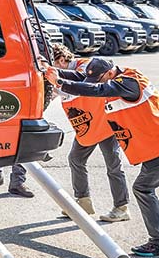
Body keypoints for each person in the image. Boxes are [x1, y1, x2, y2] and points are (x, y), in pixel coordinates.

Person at [45, 58, 159, 258]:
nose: (98, 84)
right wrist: (56, 73)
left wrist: (60, 84)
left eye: (100, 80)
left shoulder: (128, 82)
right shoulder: (119, 75)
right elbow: (85, 79)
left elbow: (100, 90)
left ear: (110, 73)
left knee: (143, 188)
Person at [51, 44, 129, 222]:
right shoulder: (78, 70)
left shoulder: (87, 65)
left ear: (62, 60)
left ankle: (121, 207)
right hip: (87, 123)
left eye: (56, 64)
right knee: (76, 159)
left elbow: (83, 90)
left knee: (113, 164)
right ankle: (84, 201)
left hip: (104, 122)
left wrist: (58, 86)